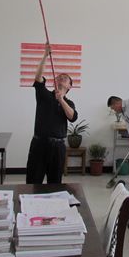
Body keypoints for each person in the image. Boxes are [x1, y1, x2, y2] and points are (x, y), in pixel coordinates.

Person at [26, 43, 78, 184]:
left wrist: (61, 100)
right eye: (59, 76)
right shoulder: (44, 94)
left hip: (58, 147)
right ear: (55, 81)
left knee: (55, 184)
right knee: (33, 181)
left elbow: (72, 117)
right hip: (39, 144)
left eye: (65, 78)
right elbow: (38, 77)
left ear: (69, 86)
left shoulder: (69, 103)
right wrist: (45, 55)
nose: (62, 77)